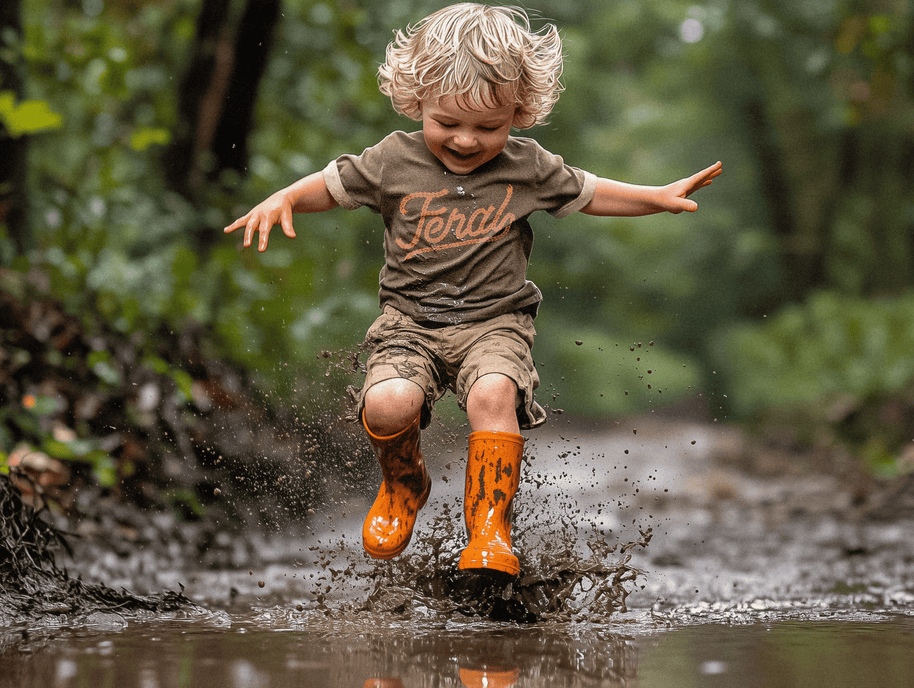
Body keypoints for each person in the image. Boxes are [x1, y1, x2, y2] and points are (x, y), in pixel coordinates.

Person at [224, 3, 721, 577]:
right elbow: (332, 186)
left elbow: (591, 192)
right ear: (418, 100)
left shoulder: (526, 167)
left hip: (495, 323)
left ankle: (488, 530)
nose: (465, 140)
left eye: (489, 127)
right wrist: (283, 197)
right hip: (408, 323)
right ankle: (404, 482)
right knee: (388, 405)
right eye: (447, 123)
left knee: (492, 393)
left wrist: (656, 196)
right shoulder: (393, 161)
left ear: (519, 111)